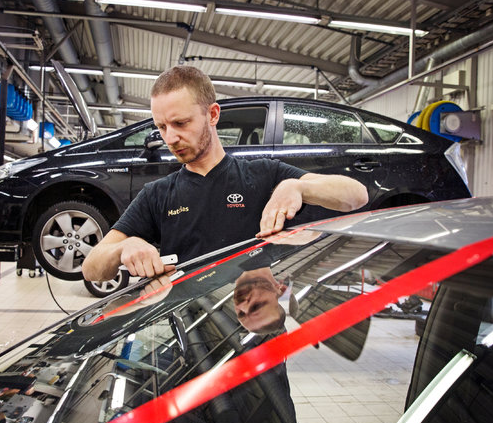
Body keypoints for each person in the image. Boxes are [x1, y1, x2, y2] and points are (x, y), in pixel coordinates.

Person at [82, 65, 368, 283]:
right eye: (162, 127)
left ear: (213, 115)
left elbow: (356, 196)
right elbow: (91, 268)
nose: (170, 138)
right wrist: (125, 247)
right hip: (192, 339)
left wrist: (298, 187)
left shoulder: (263, 175)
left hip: (256, 333)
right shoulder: (158, 195)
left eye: (181, 123)